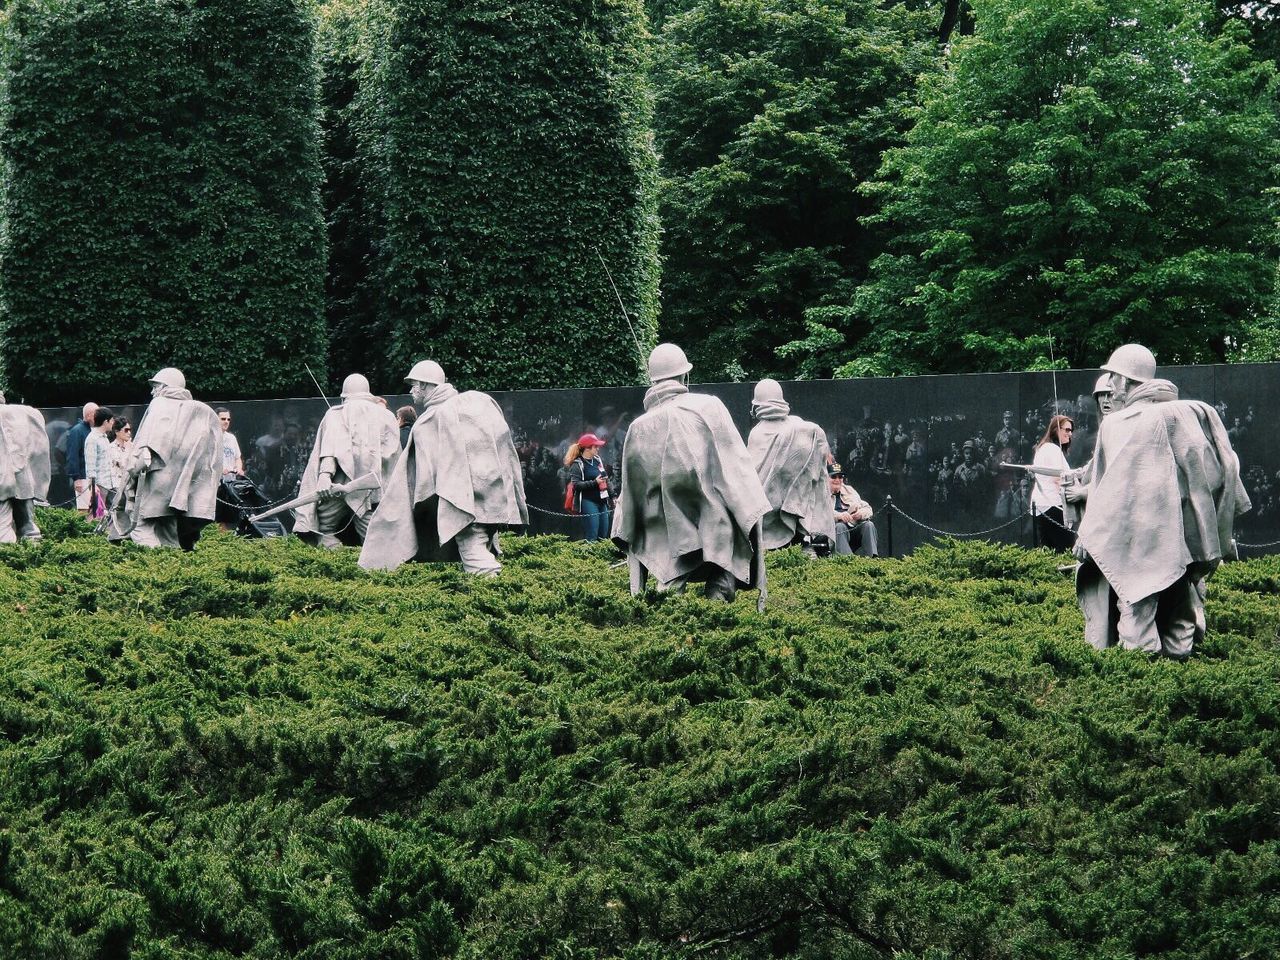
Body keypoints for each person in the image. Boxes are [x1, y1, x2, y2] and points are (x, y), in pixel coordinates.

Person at [1075, 344, 1250, 657]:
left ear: (1129, 381)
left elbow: (1106, 489)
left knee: (1135, 618)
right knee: (1180, 616)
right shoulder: (1188, 413)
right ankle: (1178, 681)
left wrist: (1086, 534)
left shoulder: (1117, 424)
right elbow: (1217, 472)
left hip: (1138, 546)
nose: (1111, 387)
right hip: (1179, 543)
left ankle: (1141, 687)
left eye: (1114, 377)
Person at [611, 343, 770, 606]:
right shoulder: (709, 406)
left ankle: (669, 619)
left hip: (664, 526)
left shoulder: (638, 427)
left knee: (671, 572)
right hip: (712, 518)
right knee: (724, 558)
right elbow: (737, 467)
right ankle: (714, 615)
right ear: (684, 375)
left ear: (653, 379)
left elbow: (632, 493)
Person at [360, 360, 528, 575]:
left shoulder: (434, 417)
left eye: (414, 385)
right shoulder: (471, 405)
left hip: (461, 503)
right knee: (475, 547)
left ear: (424, 385)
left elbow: (424, 475)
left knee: (474, 552)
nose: (411, 391)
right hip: (487, 497)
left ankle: (494, 595)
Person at [110, 368, 221, 549]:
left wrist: (133, 468)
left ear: (168, 386)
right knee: (168, 528)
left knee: (140, 526)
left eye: (157, 386)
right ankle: (173, 565)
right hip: (178, 489)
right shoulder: (198, 411)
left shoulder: (161, 404)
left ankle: (153, 565)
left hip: (155, 480)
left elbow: (151, 442)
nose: (153, 391)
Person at [292, 374, 401, 549]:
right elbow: (391, 455)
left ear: (344, 396)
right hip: (369, 490)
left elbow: (329, 448)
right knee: (372, 537)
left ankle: (339, 559)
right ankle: (376, 569)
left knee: (324, 529)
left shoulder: (336, 413)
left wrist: (325, 475)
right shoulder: (387, 416)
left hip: (341, 486)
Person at [746, 378, 834, 554]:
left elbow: (752, 475)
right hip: (798, 506)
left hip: (770, 509)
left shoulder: (758, 432)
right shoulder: (805, 428)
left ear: (759, 404)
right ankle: (805, 544)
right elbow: (819, 470)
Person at [0, 394, 51, 542]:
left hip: (5, 480)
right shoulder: (24, 413)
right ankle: (29, 555)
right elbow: (39, 448)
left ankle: (9, 555)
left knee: (3, 528)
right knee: (28, 526)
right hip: (22, 477)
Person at [1029, 414, 1074, 552]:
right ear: (1056, 429)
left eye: (1071, 430)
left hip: (1041, 507)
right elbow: (1059, 479)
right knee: (1065, 550)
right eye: (1066, 430)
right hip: (1053, 506)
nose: (1070, 434)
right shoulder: (1052, 449)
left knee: (1049, 553)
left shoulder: (1043, 448)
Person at [564, 432, 613, 542]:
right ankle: (591, 558)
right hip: (588, 501)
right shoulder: (577, 464)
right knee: (593, 534)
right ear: (587, 448)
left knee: (603, 535)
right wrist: (594, 482)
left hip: (602, 501)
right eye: (595, 446)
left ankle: (602, 558)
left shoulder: (597, 460)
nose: (598, 449)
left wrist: (612, 495)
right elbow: (576, 485)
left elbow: (605, 478)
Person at [828, 462, 878, 556]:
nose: (837, 480)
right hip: (831, 532)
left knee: (868, 525)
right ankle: (848, 561)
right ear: (826, 478)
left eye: (840, 477)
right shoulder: (821, 492)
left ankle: (873, 559)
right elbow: (821, 513)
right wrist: (839, 516)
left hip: (852, 527)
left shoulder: (849, 490)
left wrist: (860, 514)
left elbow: (867, 508)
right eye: (833, 477)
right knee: (840, 526)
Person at [83, 406, 116, 517]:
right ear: (106, 421)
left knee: (111, 515)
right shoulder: (92, 439)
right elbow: (90, 464)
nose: (113, 423)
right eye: (111, 420)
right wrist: (93, 485)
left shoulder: (105, 438)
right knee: (98, 515)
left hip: (110, 483)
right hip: (100, 484)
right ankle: (94, 534)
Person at [65, 402, 97, 515]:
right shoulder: (77, 431)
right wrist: (76, 478)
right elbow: (72, 455)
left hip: (93, 477)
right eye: (96, 413)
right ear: (89, 415)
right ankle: (83, 530)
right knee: (84, 508)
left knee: (96, 509)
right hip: (82, 477)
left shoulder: (93, 430)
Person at [108, 417, 132, 494]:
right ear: (117, 432)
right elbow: (124, 465)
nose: (129, 433)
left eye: (130, 430)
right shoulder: (111, 448)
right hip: (116, 489)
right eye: (126, 430)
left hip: (131, 486)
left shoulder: (132, 446)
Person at [216, 408, 243, 477]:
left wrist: (239, 468)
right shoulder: (209, 438)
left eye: (228, 419)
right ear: (215, 419)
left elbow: (238, 458)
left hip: (231, 483)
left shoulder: (232, 438)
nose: (226, 421)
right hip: (215, 484)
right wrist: (219, 470)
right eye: (223, 419)